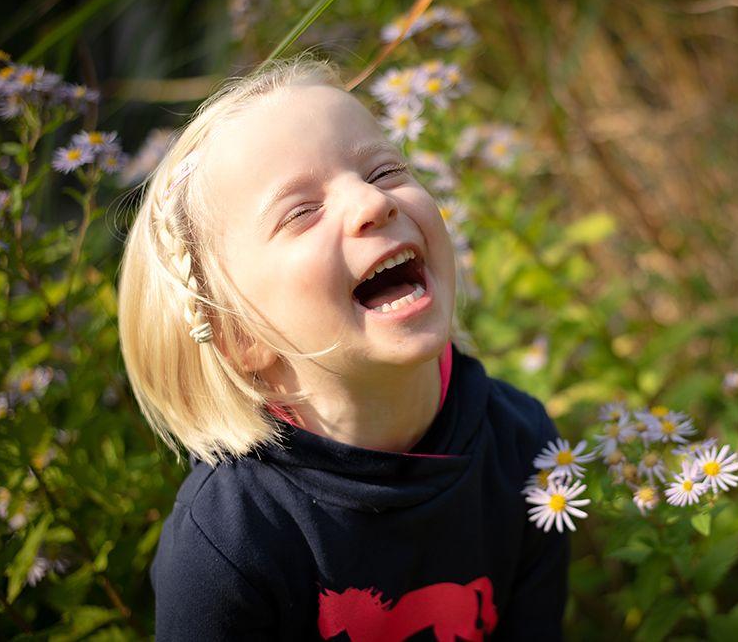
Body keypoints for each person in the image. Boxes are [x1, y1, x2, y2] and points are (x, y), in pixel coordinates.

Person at [116, 53, 569, 640]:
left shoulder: (524, 442)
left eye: (383, 171)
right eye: (302, 211)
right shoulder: (229, 545)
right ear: (240, 336)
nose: (373, 202)